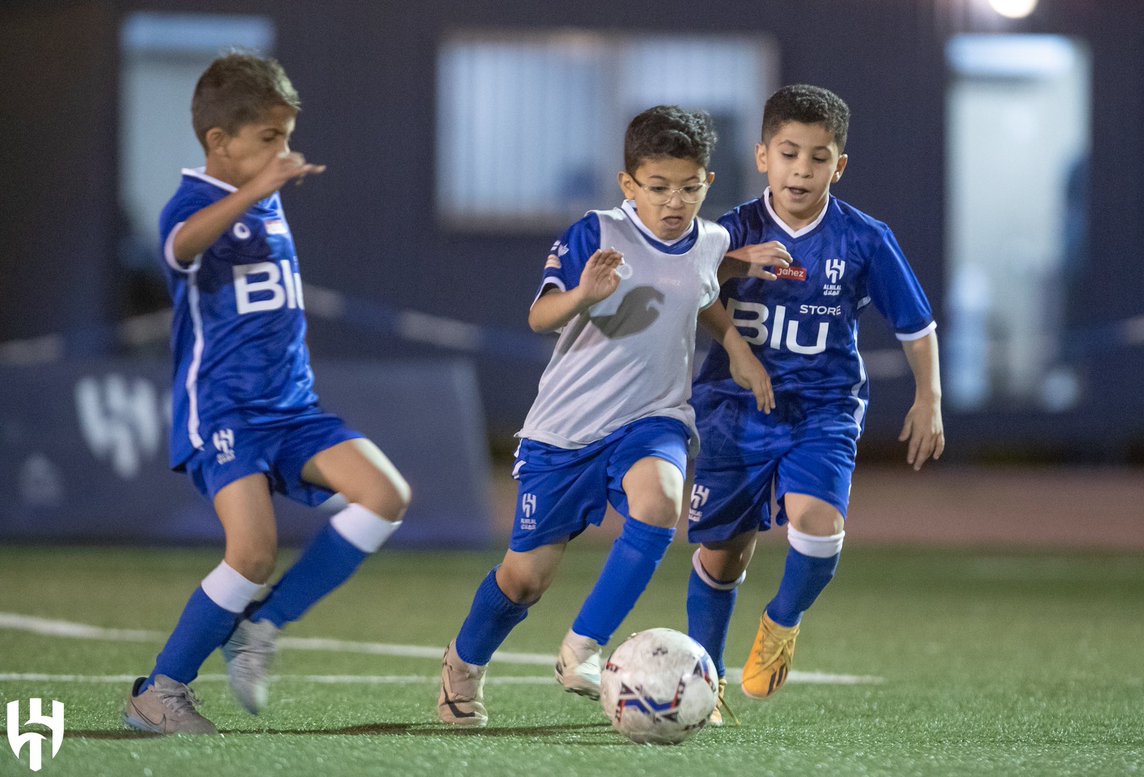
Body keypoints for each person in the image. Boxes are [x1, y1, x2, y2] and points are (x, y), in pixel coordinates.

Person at [436, 105, 779, 728]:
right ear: (629, 185)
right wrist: (582, 296)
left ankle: (582, 648)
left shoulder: (711, 240)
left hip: (654, 419)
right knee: (524, 580)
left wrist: (736, 333)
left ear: (706, 182)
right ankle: (463, 665)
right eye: (658, 187)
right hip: (565, 433)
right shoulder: (594, 233)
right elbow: (540, 317)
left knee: (661, 501)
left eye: (689, 186)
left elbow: (701, 287)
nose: (674, 201)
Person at [123, 52, 411, 735]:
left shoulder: (266, 193)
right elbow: (180, 248)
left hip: (294, 407)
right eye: (268, 139)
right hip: (226, 411)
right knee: (252, 551)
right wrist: (255, 191)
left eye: (286, 137)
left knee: (385, 495)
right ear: (218, 142)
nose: (283, 152)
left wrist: (264, 185)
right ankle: (158, 693)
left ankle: (262, 626)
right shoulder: (194, 202)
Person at [685, 84, 945, 723]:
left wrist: (929, 397)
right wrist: (731, 264)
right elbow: (682, 288)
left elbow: (916, 325)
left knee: (818, 526)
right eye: (789, 153)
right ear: (763, 157)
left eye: (818, 157)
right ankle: (706, 683)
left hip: (823, 410)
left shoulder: (863, 239)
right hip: (732, 407)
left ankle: (782, 620)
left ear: (839, 165)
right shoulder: (728, 233)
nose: (802, 169)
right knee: (725, 553)